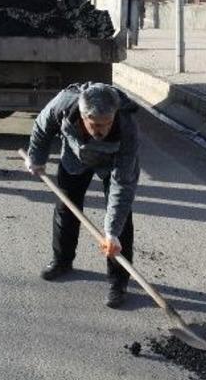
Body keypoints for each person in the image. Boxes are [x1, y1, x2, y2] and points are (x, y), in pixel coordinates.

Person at [25, 82, 139, 308]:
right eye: (95, 124)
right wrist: (36, 159)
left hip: (113, 163)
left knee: (120, 223)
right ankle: (62, 261)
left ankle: (118, 281)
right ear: (83, 114)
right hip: (75, 158)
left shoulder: (127, 127)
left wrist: (111, 232)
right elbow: (41, 126)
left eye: (107, 124)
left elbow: (123, 184)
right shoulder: (64, 104)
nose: (101, 130)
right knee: (66, 208)